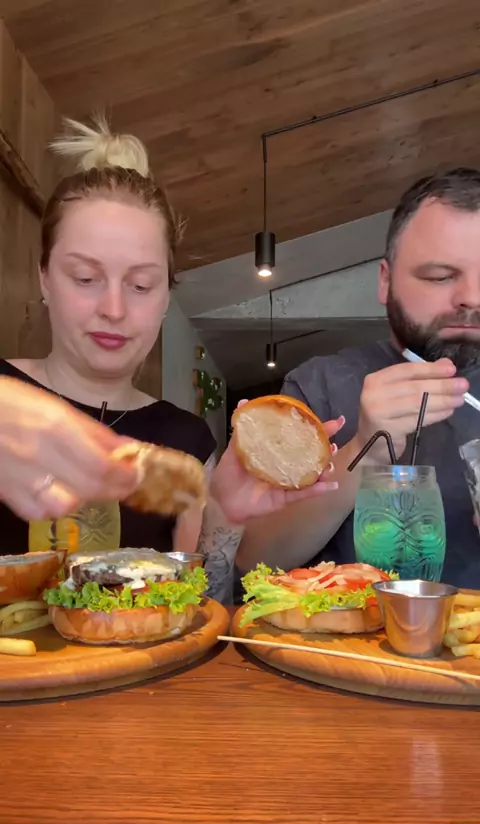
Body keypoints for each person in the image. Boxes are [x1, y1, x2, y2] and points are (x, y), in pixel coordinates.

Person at [0, 116, 342, 603]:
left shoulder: (187, 441)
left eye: (140, 285)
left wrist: (222, 514)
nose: (114, 309)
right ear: (44, 278)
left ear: (165, 298)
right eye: (85, 278)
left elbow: (202, 609)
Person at [237, 168, 480, 590]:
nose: (472, 298)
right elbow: (253, 559)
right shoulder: (319, 385)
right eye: (440, 277)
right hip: (349, 631)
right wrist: (362, 452)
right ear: (385, 281)